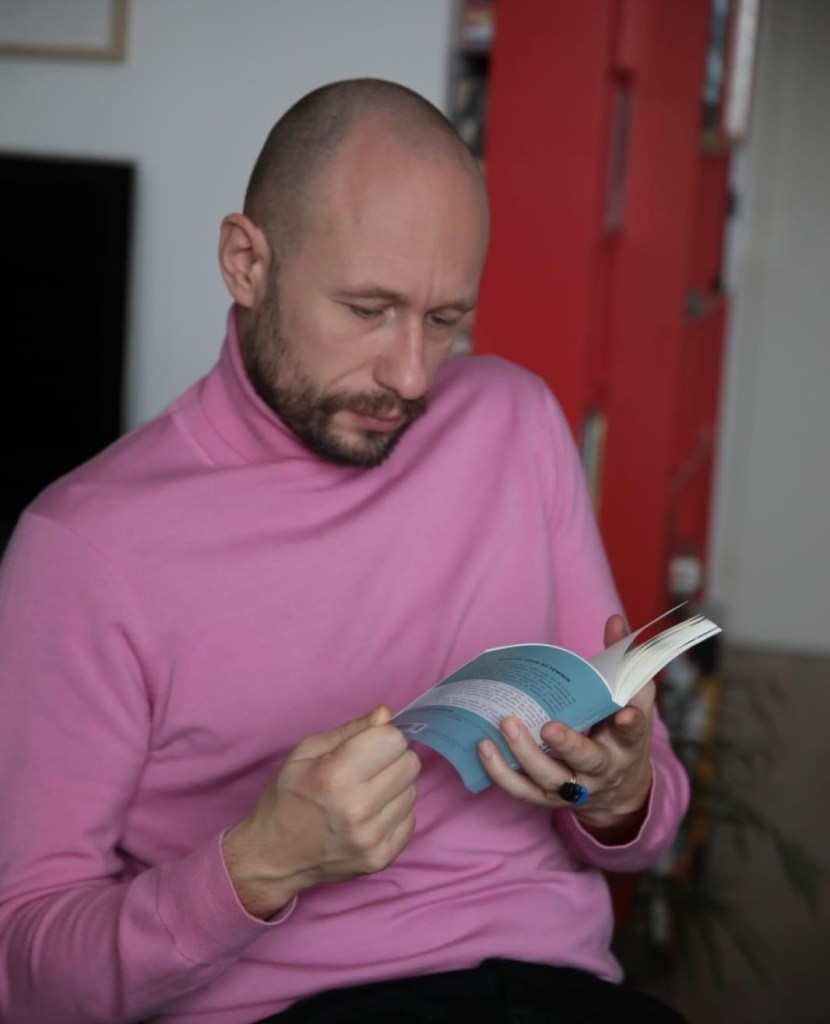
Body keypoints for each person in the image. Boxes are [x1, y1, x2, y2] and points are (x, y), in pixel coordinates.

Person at [0, 79, 689, 1024]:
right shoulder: (83, 550)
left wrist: (621, 790)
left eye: (443, 320)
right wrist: (258, 866)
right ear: (247, 262)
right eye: (369, 309)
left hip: (546, 984)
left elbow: (644, 826)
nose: (409, 376)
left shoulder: (514, 423)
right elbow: (22, 972)